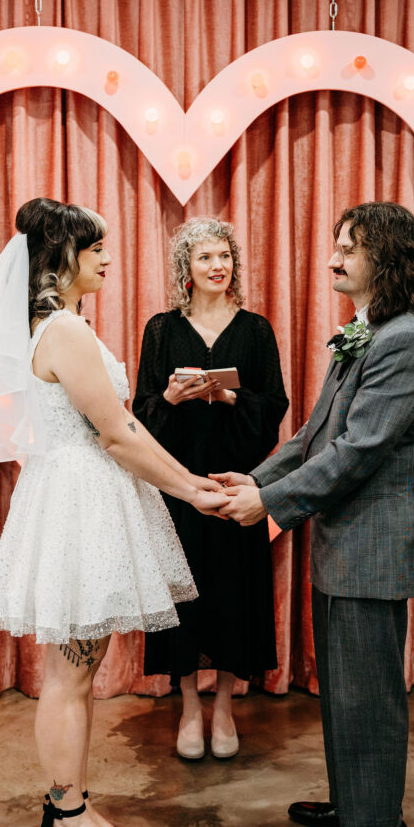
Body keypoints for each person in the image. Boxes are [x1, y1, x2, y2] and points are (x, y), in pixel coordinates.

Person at [0, 198, 226, 827]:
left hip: (80, 495)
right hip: (79, 502)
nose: (106, 258)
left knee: (78, 669)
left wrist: (186, 485)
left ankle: (69, 803)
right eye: (96, 248)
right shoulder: (64, 332)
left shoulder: (62, 323)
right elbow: (119, 433)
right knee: (70, 676)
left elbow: (121, 432)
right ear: (64, 258)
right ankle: (66, 817)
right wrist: (191, 489)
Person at [214, 201, 414, 827]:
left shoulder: (403, 341)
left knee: (368, 694)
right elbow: (314, 439)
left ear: (385, 256)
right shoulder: (366, 332)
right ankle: (355, 802)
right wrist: (250, 481)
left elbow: (357, 452)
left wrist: (270, 504)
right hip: (343, 543)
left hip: (371, 548)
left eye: (347, 246)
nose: (332, 258)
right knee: (343, 688)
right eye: (334, 244)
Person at [133, 217, 288, 760]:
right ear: (186, 269)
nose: (217, 265)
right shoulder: (161, 329)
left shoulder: (257, 329)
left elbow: (274, 410)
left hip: (234, 489)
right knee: (183, 600)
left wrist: (228, 399)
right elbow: (139, 416)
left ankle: (223, 706)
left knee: (233, 597)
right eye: (204, 257)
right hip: (177, 489)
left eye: (224, 256)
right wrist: (173, 398)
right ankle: (189, 708)